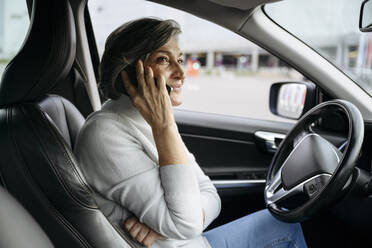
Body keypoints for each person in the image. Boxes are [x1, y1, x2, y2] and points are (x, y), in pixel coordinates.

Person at [74, 17, 307, 248]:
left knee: (284, 223)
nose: (181, 73)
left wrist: (169, 227)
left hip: (195, 242)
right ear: (130, 72)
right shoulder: (105, 135)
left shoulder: (149, 121)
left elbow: (209, 194)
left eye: (180, 60)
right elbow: (186, 224)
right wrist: (165, 128)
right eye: (164, 60)